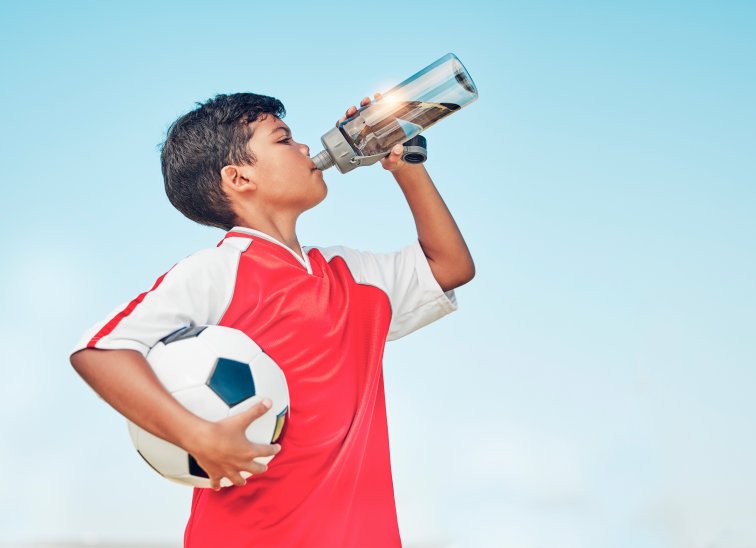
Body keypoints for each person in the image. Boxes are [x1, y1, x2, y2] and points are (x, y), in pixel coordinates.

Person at [69, 92, 475, 547]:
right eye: (284, 140)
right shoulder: (219, 271)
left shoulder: (351, 274)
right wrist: (197, 435)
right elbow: (100, 351)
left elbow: (449, 267)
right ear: (239, 176)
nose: (305, 149)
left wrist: (407, 165)